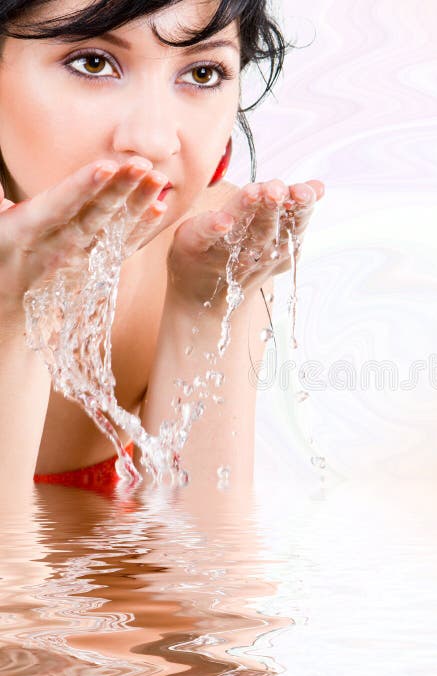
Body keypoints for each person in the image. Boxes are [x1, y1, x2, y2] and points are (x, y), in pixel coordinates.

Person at [0, 0, 324, 492]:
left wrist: (206, 306)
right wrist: (9, 314)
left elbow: (210, 558)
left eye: (201, 73)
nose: (153, 140)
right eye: (92, 62)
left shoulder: (214, 239)